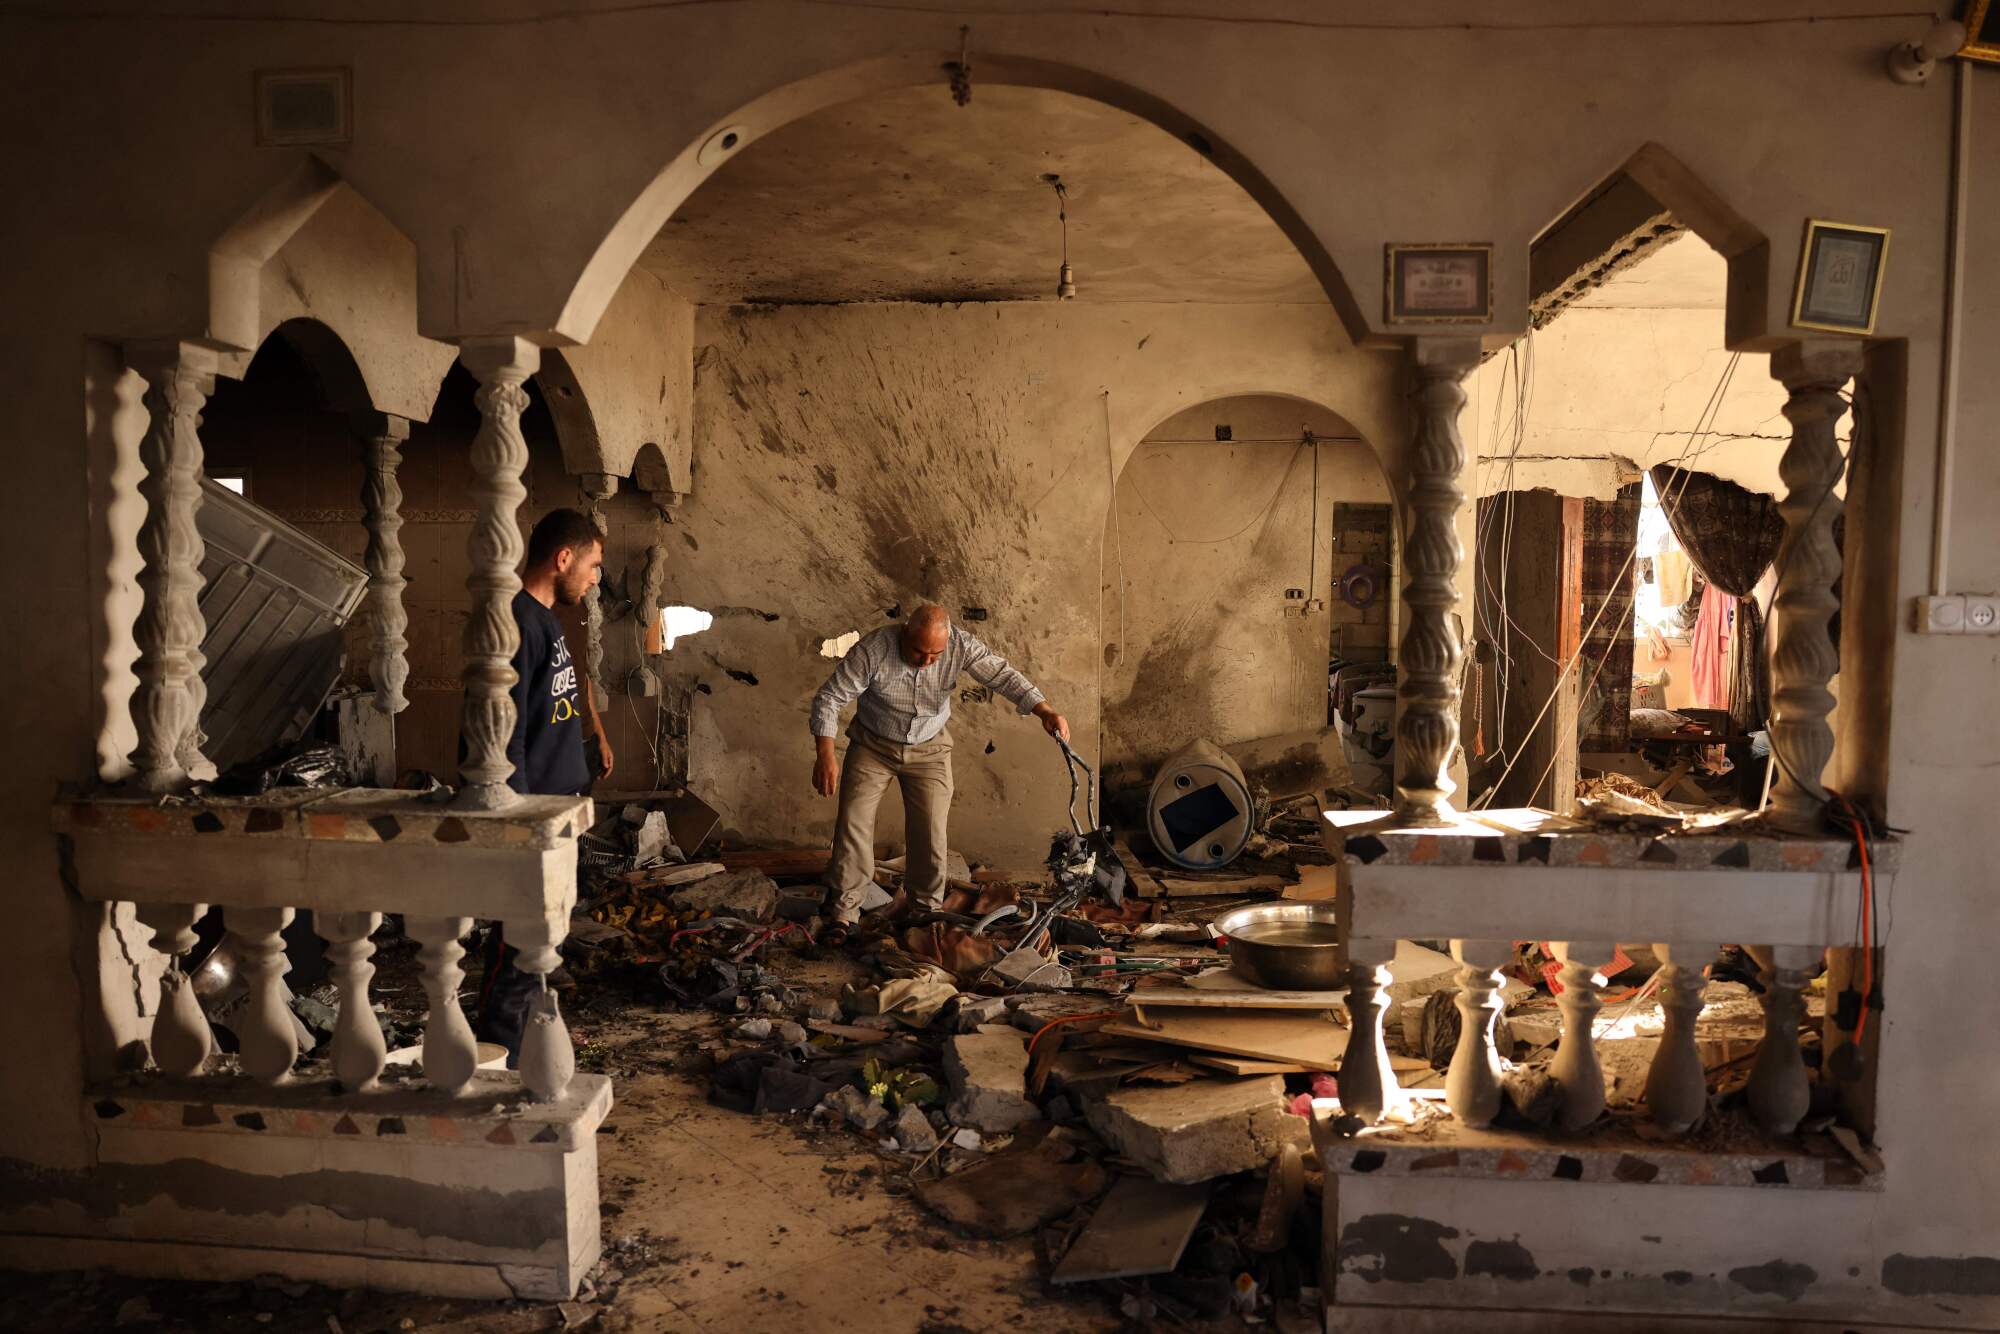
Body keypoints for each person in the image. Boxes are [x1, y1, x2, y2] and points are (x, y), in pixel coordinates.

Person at [809, 605, 1067, 944]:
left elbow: (1001, 674)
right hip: (873, 746)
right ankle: (844, 914)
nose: (926, 660)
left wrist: (1044, 710)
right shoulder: (874, 649)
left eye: (935, 654)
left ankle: (924, 913)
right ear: (904, 633)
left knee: (929, 833)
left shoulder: (960, 644)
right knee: (853, 826)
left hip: (930, 749)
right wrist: (825, 755)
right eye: (918, 651)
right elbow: (829, 699)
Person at [477, 508, 614, 1061]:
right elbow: (503, 733)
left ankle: (527, 1042)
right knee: (516, 947)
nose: (596, 577)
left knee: (541, 943)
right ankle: (499, 1055)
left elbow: (557, 700)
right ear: (563, 559)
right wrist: (520, 821)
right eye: (594, 564)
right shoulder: (515, 621)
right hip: (532, 818)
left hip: (559, 811)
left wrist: (591, 740)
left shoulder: (546, 617)